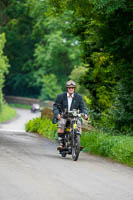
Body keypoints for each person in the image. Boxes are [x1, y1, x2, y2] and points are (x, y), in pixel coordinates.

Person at [53, 80, 88, 149]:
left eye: (72, 88)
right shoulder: (61, 96)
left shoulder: (79, 97)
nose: (71, 89)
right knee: (62, 123)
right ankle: (61, 142)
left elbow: (82, 107)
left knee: (78, 124)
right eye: (69, 88)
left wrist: (85, 114)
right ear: (67, 88)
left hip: (74, 116)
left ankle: (77, 141)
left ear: (74, 88)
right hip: (63, 116)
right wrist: (57, 114)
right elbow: (55, 106)